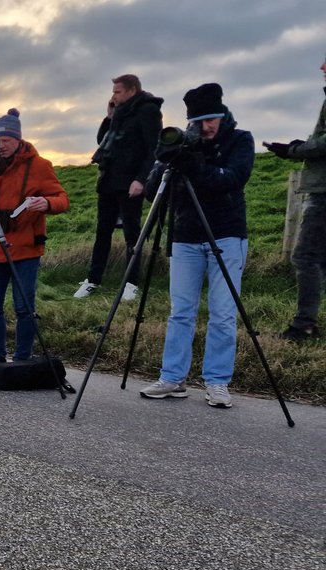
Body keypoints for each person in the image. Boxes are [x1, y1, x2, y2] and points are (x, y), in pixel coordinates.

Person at [140, 83, 254, 409]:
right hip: (186, 235)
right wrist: (165, 160)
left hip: (227, 235)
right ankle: (173, 378)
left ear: (221, 114)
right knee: (180, 313)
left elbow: (231, 178)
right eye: (199, 121)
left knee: (222, 314)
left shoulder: (239, 140)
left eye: (211, 119)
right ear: (190, 121)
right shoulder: (184, 144)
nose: (206, 127)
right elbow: (152, 192)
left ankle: (217, 383)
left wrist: (197, 167)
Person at [0, 109, 69, 377]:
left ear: (18, 139)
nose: (1, 145)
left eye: (6, 140)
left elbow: (62, 199)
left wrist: (45, 203)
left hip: (25, 249)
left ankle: (22, 360)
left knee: (24, 308)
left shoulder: (40, 165)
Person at [76, 74, 163, 301]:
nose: (113, 95)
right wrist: (109, 117)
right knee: (102, 231)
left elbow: (154, 148)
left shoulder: (148, 111)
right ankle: (93, 279)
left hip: (130, 182)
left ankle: (131, 283)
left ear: (132, 90)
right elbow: (102, 140)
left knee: (132, 233)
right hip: (109, 180)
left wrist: (141, 180)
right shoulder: (119, 112)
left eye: (117, 91)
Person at [268, 55, 326, 342]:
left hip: (324, 190)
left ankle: (304, 325)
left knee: (304, 256)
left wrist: (292, 149)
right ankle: (309, 321)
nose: (322, 68)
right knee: (321, 259)